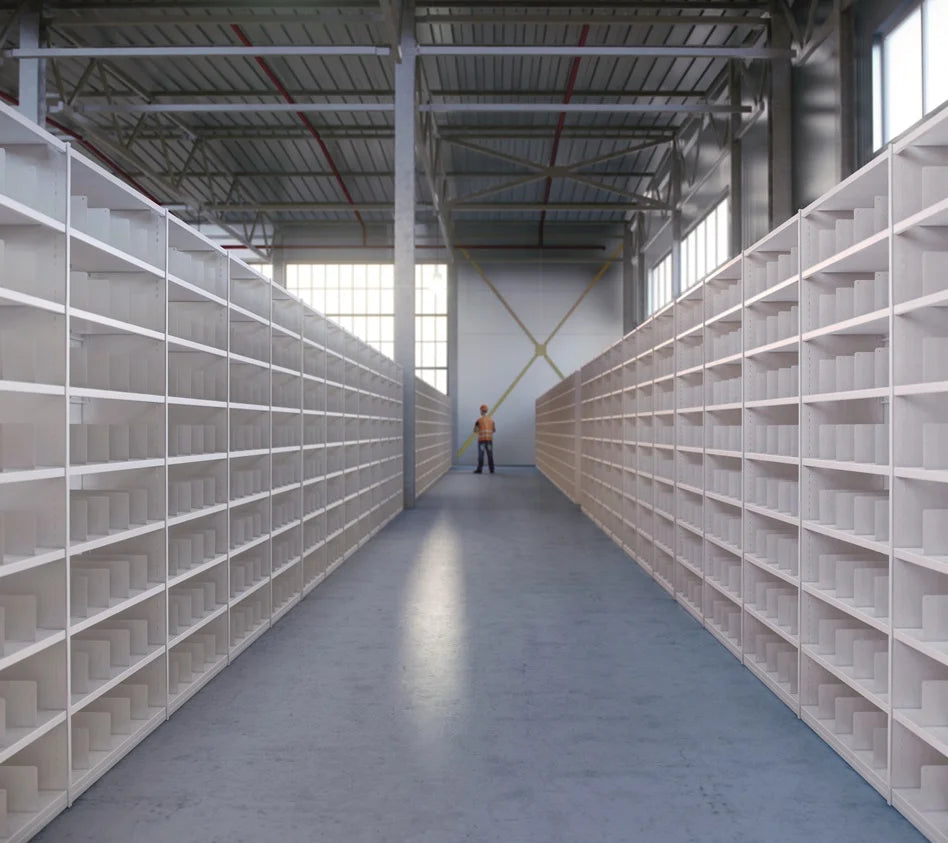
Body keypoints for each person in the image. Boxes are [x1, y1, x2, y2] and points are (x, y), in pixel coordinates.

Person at [473, 403, 496, 474]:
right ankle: (491, 470)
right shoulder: (491, 421)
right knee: (490, 455)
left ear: (481, 411)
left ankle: (479, 469)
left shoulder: (478, 421)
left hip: (481, 441)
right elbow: (494, 430)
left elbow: (475, 430)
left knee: (481, 455)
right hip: (489, 441)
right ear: (486, 411)